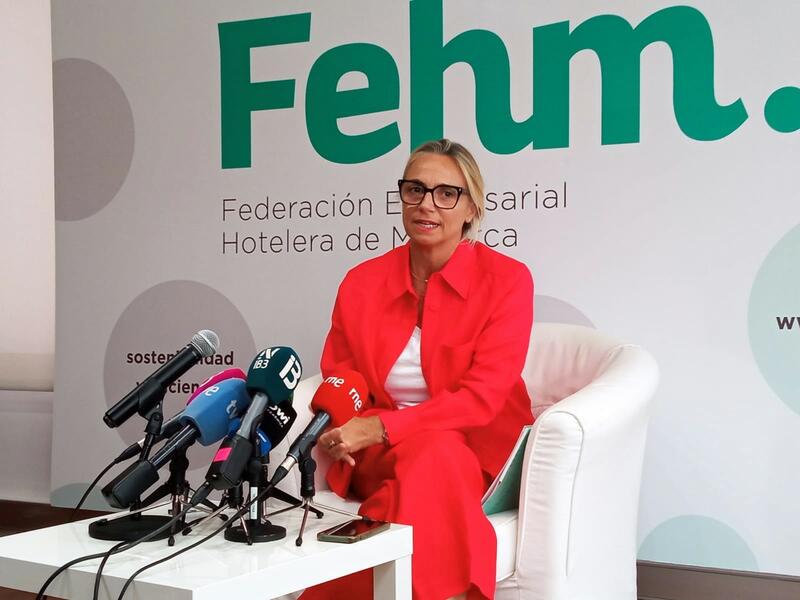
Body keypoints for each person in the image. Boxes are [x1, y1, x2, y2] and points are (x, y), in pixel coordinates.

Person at [300, 139, 534, 600]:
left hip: (473, 452)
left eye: (447, 193)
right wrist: (346, 427)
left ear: (471, 208)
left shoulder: (507, 281)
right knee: (430, 462)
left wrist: (382, 427)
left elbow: (481, 400)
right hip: (377, 455)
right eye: (415, 189)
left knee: (428, 466)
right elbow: (342, 377)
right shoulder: (361, 282)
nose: (427, 204)